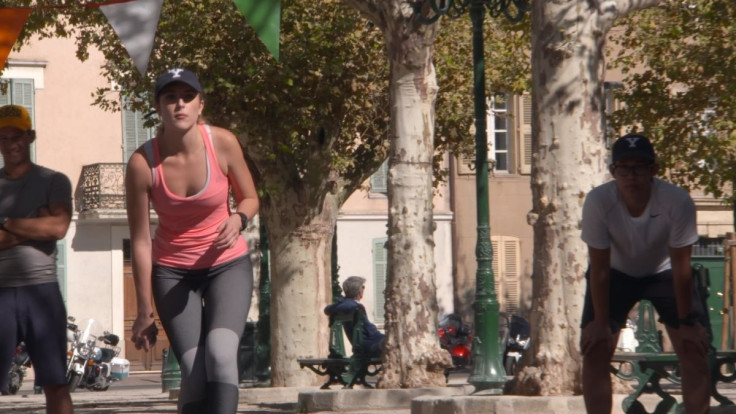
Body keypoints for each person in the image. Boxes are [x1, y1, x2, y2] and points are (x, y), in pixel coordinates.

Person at [126, 68, 259, 414]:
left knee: (219, 353)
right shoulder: (143, 163)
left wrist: (238, 218)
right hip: (173, 272)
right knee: (193, 372)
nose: (180, 104)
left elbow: (250, 199)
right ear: (158, 108)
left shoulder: (223, 143)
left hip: (226, 267)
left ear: (201, 104)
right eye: (171, 98)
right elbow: (141, 240)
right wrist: (143, 311)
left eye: (188, 97)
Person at [580, 133, 711, 414]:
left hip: (665, 271)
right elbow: (599, 266)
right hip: (614, 272)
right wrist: (601, 323)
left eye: (640, 167)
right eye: (623, 168)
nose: (631, 175)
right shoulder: (598, 201)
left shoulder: (676, 201)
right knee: (595, 349)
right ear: (613, 171)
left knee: (694, 349)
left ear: (653, 170)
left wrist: (687, 321)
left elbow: (681, 264)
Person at [0, 105, 73, 412]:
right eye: (3, 137)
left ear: (30, 136)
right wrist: (34, 222)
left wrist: (5, 222)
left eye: (17, 135)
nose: (10, 143)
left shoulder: (54, 180)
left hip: (42, 291)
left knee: (55, 383)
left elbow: (57, 227)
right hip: (1, 292)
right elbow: (47, 226)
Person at [324, 276, 385, 358]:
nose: (363, 289)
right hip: (370, 346)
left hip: (366, 345)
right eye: (363, 287)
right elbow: (370, 332)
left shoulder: (345, 305)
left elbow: (327, 309)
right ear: (359, 291)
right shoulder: (356, 307)